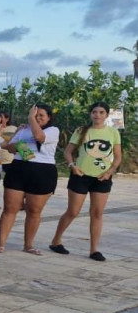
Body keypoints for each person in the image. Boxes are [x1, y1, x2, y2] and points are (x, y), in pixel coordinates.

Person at [49, 102, 121, 261]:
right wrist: (72, 166)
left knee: (97, 213)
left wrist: (110, 172)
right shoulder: (81, 131)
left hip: (102, 178)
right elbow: (68, 152)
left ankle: (94, 249)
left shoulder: (113, 132)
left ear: (106, 115)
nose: (97, 115)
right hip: (80, 175)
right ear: (90, 114)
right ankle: (56, 241)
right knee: (73, 211)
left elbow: (117, 156)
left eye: (101, 112)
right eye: (94, 112)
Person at [0, 104, 59, 255]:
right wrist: (18, 144)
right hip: (19, 168)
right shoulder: (23, 129)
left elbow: (39, 137)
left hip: (42, 171)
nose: (37, 118)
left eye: (41, 115)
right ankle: (1, 243)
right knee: (10, 208)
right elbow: (10, 148)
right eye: (35, 115)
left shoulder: (53, 130)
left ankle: (28, 244)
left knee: (34, 210)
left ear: (49, 117)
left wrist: (31, 120)